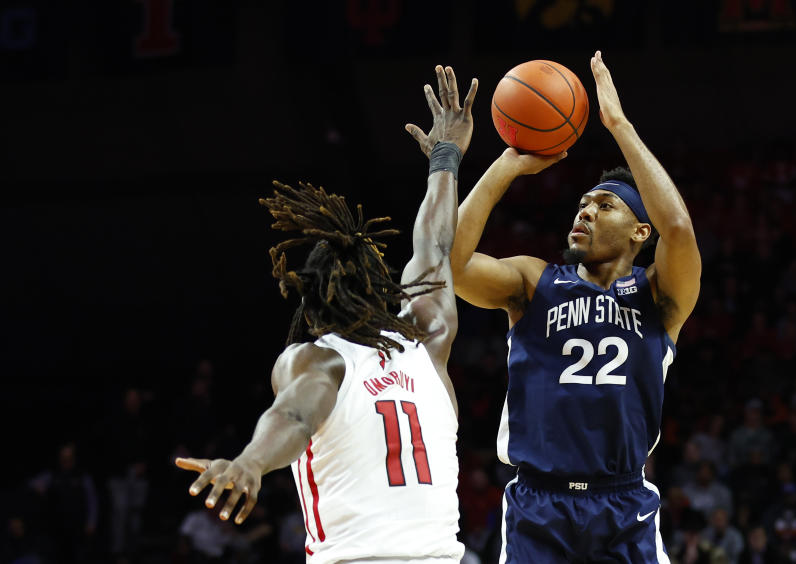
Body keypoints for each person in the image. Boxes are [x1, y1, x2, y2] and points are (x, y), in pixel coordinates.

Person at [175, 64, 478, 563]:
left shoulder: (320, 361)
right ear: (381, 291)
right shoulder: (430, 340)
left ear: (311, 304)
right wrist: (445, 158)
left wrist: (251, 462)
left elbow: (293, 414)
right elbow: (435, 245)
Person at [431, 50, 701, 562]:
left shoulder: (659, 296)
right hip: (538, 504)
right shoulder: (535, 282)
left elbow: (681, 230)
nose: (585, 211)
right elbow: (449, 261)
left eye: (605, 205)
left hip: (624, 506)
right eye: (582, 203)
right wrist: (505, 166)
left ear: (641, 233)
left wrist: (618, 124)